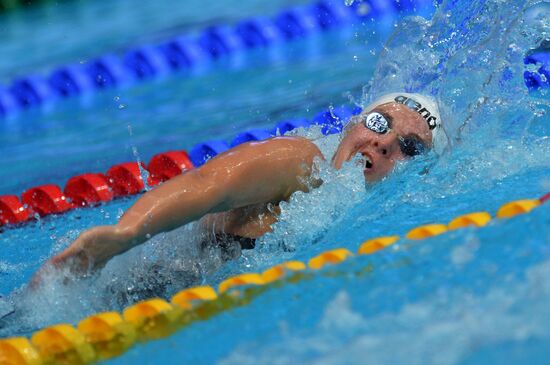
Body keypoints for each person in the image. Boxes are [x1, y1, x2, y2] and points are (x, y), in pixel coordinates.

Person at [36, 92, 447, 281]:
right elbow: (208, 184)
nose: (383, 142)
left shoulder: (381, 216)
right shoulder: (303, 163)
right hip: (140, 299)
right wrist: (124, 236)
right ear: (354, 124)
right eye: (378, 122)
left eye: (409, 147)